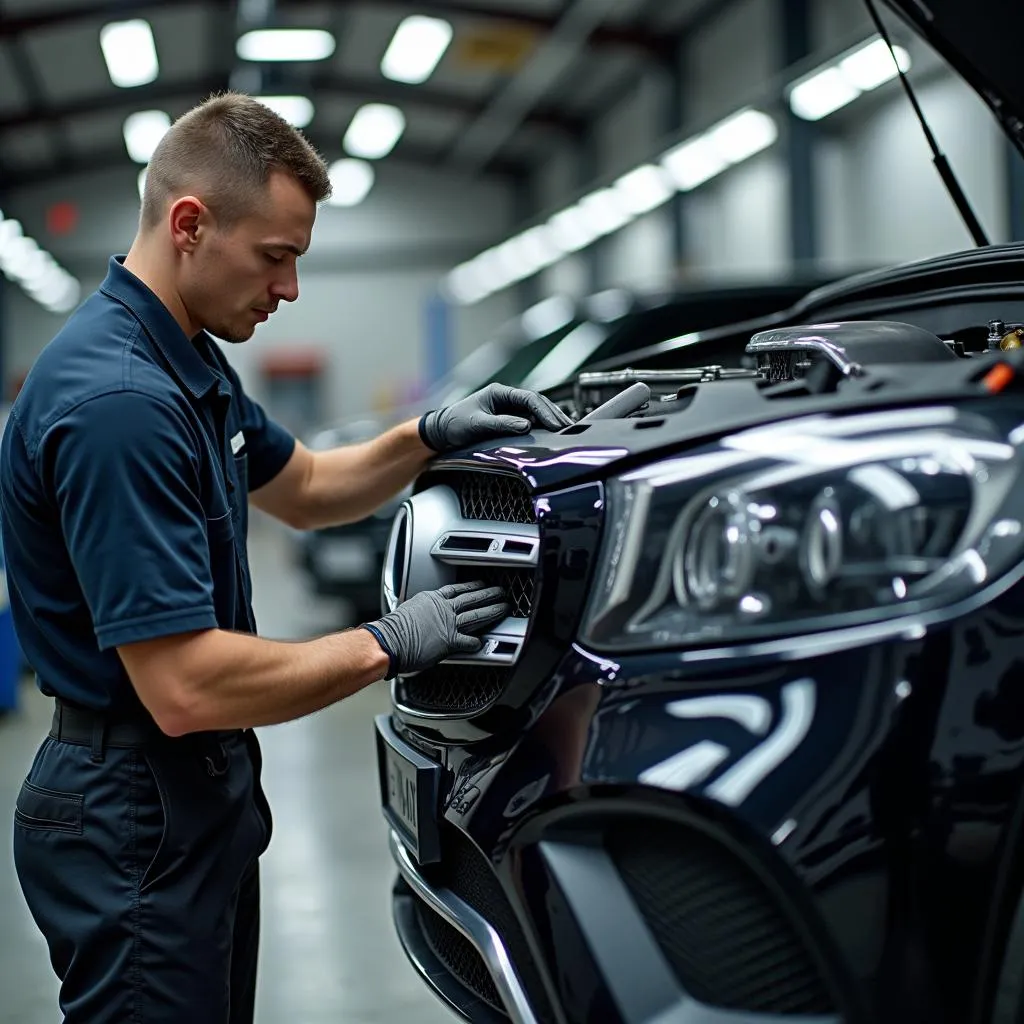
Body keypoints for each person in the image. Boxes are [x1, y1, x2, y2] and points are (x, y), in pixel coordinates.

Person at [0, 91, 572, 1024]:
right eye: (277, 257)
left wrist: (425, 436)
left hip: (187, 801)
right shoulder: (121, 404)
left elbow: (304, 486)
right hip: (133, 811)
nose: (290, 289)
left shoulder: (184, 356)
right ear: (190, 224)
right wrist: (386, 643)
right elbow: (186, 685)